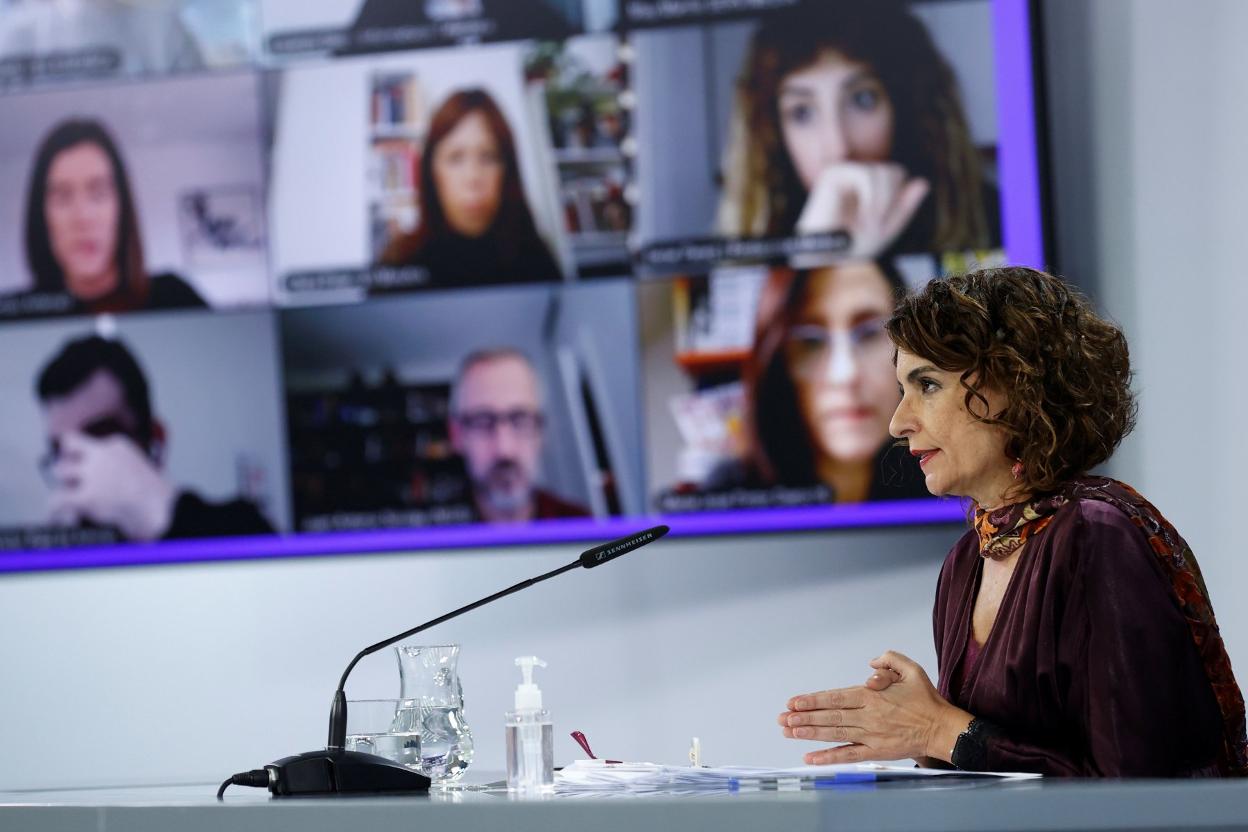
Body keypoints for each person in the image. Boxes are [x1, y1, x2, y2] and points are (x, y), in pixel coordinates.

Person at [777, 267, 1247, 777]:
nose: (898, 422)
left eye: (927, 385)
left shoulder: (1094, 538)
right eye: (902, 389)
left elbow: (1137, 794)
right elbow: (1000, 768)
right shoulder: (966, 561)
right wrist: (919, 732)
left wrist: (941, 729)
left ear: (1014, 387)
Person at [716, 0, 999, 260]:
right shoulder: (749, 252)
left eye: (863, 99)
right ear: (773, 134)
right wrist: (815, 259)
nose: (838, 147)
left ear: (906, 107)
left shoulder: (998, 219)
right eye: (802, 112)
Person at [714, 260, 927, 503]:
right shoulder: (721, 503)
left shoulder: (958, 499)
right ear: (777, 364)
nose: (845, 374)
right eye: (811, 341)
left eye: (869, 333)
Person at [35, 334, 274, 541]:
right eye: (60, 451)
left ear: (156, 440)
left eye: (100, 437)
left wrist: (157, 514)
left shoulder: (241, 527)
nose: (75, 467)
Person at [9, 118, 205, 318]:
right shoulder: (14, 312)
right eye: (63, 197)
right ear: (41, 214)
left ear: (122, 207)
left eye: (98, 194)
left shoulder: (175, 298)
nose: (83, 217)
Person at [376, 89, 562, 287]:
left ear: (507, 171)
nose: (473, 177)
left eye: (489, 157)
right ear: (431, 172)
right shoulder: (399, 263)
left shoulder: (537, 260)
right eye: (455, 158)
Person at [447, 348, 589, 523]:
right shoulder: (424, 537)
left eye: (520, 420)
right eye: (483, 422)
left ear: (541, 431)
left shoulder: (582, 527)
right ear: (457, 435)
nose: (505, 450)